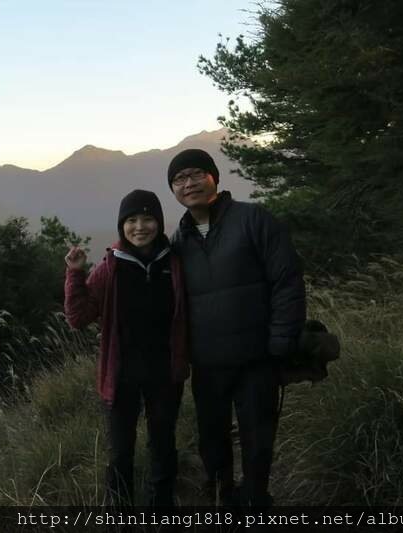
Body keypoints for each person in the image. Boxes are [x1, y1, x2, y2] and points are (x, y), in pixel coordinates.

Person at [165, 148, 306, 507]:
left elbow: (286, 280)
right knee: (212, 440)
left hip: (256, 358)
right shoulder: (179, 242)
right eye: (179, 179)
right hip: (208, 364)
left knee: (258, 440)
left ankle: (256, 502)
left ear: (214, 177)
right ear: (173, 191)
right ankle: (223, 501)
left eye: (196, 174)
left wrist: (281, 340)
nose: (188, 183)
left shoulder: (254, 219)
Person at [64, 189, 189, 507]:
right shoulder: (111, 266)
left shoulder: (173, 263)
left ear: (159, 223)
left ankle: (162, 513)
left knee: (163, 445)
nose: (140, 227)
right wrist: (75, 273)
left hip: (165, 373)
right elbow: (78, 317)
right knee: (120, 452)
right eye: (131, 220)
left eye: (147, 219)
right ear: (122, 225)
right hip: (121, 376)